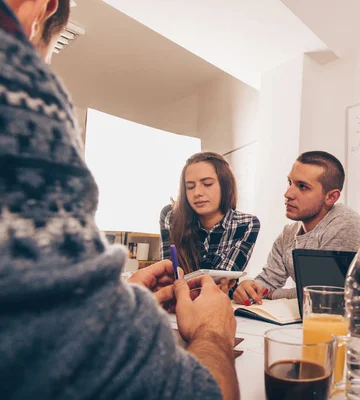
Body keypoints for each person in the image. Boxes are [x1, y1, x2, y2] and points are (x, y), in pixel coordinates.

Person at [0, 1, 239, 399]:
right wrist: (214, 335)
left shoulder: (243, 222)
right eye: (50, 52)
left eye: (207, 184)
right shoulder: (19, 86)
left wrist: (119, 300)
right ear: (41, 8)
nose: (197, 192)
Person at [233, 151, 360, 305]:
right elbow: (267, 283)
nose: (288, 194)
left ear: (331, 197)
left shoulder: (345, 221)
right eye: (290, 183)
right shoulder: (288, 233)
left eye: (302, 186)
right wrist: (249, 289)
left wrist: (273, 295)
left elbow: (324, 293)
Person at [160, 152, 260, 295]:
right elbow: (167, 275)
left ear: (225, 185)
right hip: (177, 304)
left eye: (207, 184)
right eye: (190, 186)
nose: (197, 192)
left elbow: (220, 281)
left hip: (219, 304)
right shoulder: (171, 216)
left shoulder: (247, 224)